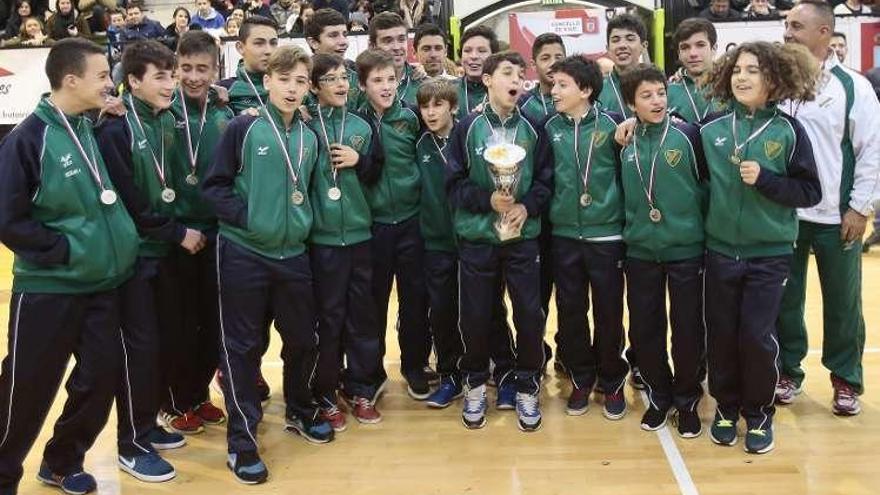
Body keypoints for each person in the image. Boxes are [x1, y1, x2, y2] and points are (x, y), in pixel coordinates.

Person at [0, 37, 139, 495]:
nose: (110, 83)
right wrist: (65, 251)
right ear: (71, 79)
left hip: (100, 286)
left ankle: (61, 461)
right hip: (48, 289)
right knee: (26, 391)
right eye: (102, 76)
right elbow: (7, 218)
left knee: (101, 379)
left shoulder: (87, 125)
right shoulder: (27, 140)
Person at [203, 45, 333, 485]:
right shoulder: (243, 128)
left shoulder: (310, 137)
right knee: (241, 348)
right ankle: (242, 442)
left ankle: (298, 407)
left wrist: (302, 228)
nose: (293, 89)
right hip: (243, 252)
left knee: (303, 339)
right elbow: (215, 187)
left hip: (293, 254)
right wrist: (250, 219)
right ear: (268, 82)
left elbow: (309, 194)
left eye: (300, 81)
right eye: (285, 80)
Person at [701, 41, 821, 454]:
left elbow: (810, 191)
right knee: (721, 335)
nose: (741, 76)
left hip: (769, 254)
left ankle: (759, 414)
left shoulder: (789, 131)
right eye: (736, 69)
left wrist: (768, 180)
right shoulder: (711, 129)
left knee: (756, 336)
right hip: (719, 252)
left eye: (752, 70)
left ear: (773, 80)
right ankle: (725, 408)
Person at [96, 39, 199, 484]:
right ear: (132, 82)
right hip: (135, 257)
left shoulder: (166, 120)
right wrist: (176, 232)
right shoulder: (113, 127)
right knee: (137, 352)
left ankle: (148, 424)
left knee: (161, 344)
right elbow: (129, 198)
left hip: (164, 254)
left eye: (171, 74)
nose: (171, 83)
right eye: (160, 76)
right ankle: (130, 443)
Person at [776, 0, 880, 416]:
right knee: (785, 301)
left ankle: (846, 380)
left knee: (843, 303)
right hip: (784, 214)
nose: (787, 33)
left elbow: (871, 150)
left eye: (796, 26)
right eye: (786, 24)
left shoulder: (852, 86)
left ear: (824, 33)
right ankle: (787, 371)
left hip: (836, 215)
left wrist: (859, 207)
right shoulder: (777, 82)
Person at [447, 51, 553, 432]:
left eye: (519, 74)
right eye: (507, 72)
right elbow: (454, 184)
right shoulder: (467, 128)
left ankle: (527, 383)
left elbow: (545, 182)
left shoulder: (536, 127)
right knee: (475, 315)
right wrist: (486, 200)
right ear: (488, 80)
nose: (516, 79)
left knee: (529, 314)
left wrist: (526, 206)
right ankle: (475, 381)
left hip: (522, 239)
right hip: (478, 238)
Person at [618, 63, 706, 437]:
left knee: (687, 329)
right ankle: (658, 396)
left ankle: (687, 400)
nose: (656, 101)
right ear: (630, 103)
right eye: (646, 96)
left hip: (685, 249)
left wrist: (692, 229)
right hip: (639, 250)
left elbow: (706, 187)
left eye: (660, 93)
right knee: (645, 330)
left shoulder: (688, 135)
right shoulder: (621, 139)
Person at [543, 55, 629, 419]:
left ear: (586, 90)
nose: (554, 92)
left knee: (609, 313)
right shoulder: (548, 128)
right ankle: (581, 376)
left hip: (606, 235)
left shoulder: (615, 127)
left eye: (562, 85)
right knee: (571, 311)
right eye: (553, 84)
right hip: (564, 234)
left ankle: (611, 380)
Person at [157, 30, 233, 435]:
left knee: (211, 320)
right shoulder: (161, 110)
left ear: (217, 70)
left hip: (216, 234)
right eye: (185, 68)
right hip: (177, 236)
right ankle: (172, 401)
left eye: (202, 69)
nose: (193, 77)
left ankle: (198, 394)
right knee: (178, 323)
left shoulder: (223, 112)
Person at [305, 53, 386, 429]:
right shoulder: (303, 125)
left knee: (362, 317)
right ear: (313, 85)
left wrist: (360, 160)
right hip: (321, 240)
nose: (341, 85)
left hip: (359, 236)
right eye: (331, 79)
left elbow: (376, 172)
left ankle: (361, 389)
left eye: (344, 78)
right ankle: (324, 391)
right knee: (328, 318)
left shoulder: (362, 126)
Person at [353, 48, 434, 399]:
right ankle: (371, 371)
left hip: (412, 223)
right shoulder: (353, 122)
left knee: (415, 300)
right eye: (377, 81)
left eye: (390, 79)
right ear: (362, 85)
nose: (385, 87)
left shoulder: (412, 118)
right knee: (373, 303)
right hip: (374, 226)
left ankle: (414, 366)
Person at [416, 78, 465, 408]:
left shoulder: (469, 136)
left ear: (453, 107)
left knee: (484, 311)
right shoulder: (418, 144)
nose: (431, 112)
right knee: (443, 313)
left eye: (438, 105)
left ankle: (493, 372)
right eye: (425, 106)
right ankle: (450, 376)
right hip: (435, 243)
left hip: (473, 239)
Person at [667, 18, 726, 124]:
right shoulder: (666, 90)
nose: (693, 53)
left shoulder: (730, 85)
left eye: (700, 45)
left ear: (714, 48)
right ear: (679, 53)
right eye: (685, 47)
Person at [218, 15, 278, 116]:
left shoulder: (289, 87)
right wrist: (239, 121)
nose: (269, 51)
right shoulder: (223, 91)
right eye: (259, 43)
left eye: (273, 43)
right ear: (240, 47)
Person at [304, 8, 362, 109]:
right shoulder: (300, 80)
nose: (343, 42)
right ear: (313, 43)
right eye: (334, 35)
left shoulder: (357, 78)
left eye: (344, 34)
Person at [368, 12, 424, 105]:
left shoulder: (423, 83)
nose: (397, 47)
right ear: (372, 46)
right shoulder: (359, 87)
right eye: (388, 41)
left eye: (401, 40)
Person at [598, 13, 647, 119]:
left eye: (630, 39)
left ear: (643, 46)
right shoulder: (597, 90)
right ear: (608, 48)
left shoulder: (658, 86)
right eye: (615, 40)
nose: (622, 45)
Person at [519, 33, 565, 123]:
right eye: (545, 58)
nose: (553, 64)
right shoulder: (523, 104)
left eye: (558, 58)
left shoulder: (578, 100)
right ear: (533, 65)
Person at [455, 25, 497, 119]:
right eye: (467, 51)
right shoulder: (448, 91)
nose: (473, 56)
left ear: (494, 56)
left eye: (481, 51)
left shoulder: (505, 94)